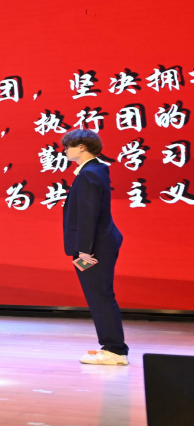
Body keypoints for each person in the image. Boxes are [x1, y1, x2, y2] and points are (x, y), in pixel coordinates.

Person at [61, 129, 128, 365]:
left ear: (82, 147)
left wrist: (84, 250)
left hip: (95, 247)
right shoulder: (96, 170)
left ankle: (114, 350)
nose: (65, 151)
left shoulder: (89, 174)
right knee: (101, 295)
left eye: (67, 147)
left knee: (100, 296)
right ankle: (112, 347)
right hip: (99, 243)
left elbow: (88, 216)